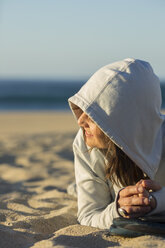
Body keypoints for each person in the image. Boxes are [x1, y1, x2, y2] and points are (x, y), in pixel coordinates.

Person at [68, 58, 165, 230]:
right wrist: (117, 209)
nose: (80, 121)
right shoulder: (84, 142)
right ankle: (76, 187)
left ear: (124, 122)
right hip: (102, 191)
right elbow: (89, 214)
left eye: (94, 115)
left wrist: (155, 202)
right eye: (83, 110)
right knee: (77, 190)